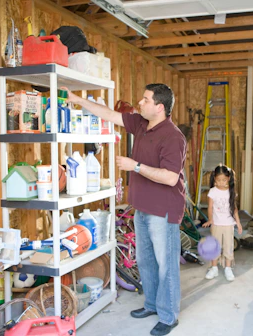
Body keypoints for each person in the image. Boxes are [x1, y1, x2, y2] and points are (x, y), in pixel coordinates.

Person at [65, 84, 186, 336]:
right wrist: (77, 99)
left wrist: (136, 166)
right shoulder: (141, 123)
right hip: (142, 208)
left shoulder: (173, 136)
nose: (140, 103)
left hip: (163, 211)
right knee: (146, 261)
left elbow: (171, 178)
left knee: (166, 266)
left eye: (145, 99)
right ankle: (152, 305)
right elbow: (108, 114)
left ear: (159, 107)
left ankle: (168, 315)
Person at [202, 165, 243, 281]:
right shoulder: (212, 192)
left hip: (229, 224)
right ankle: (214, 268)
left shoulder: (231, 192)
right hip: (216, 224)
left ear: (228, 178)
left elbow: (234, 209)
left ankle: (228, 268)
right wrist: (210, 220)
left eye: (224, 180)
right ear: (214, 178)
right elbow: (210, 207)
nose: (221, 183)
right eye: (219, 180)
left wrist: (238, 223)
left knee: (228, 246)